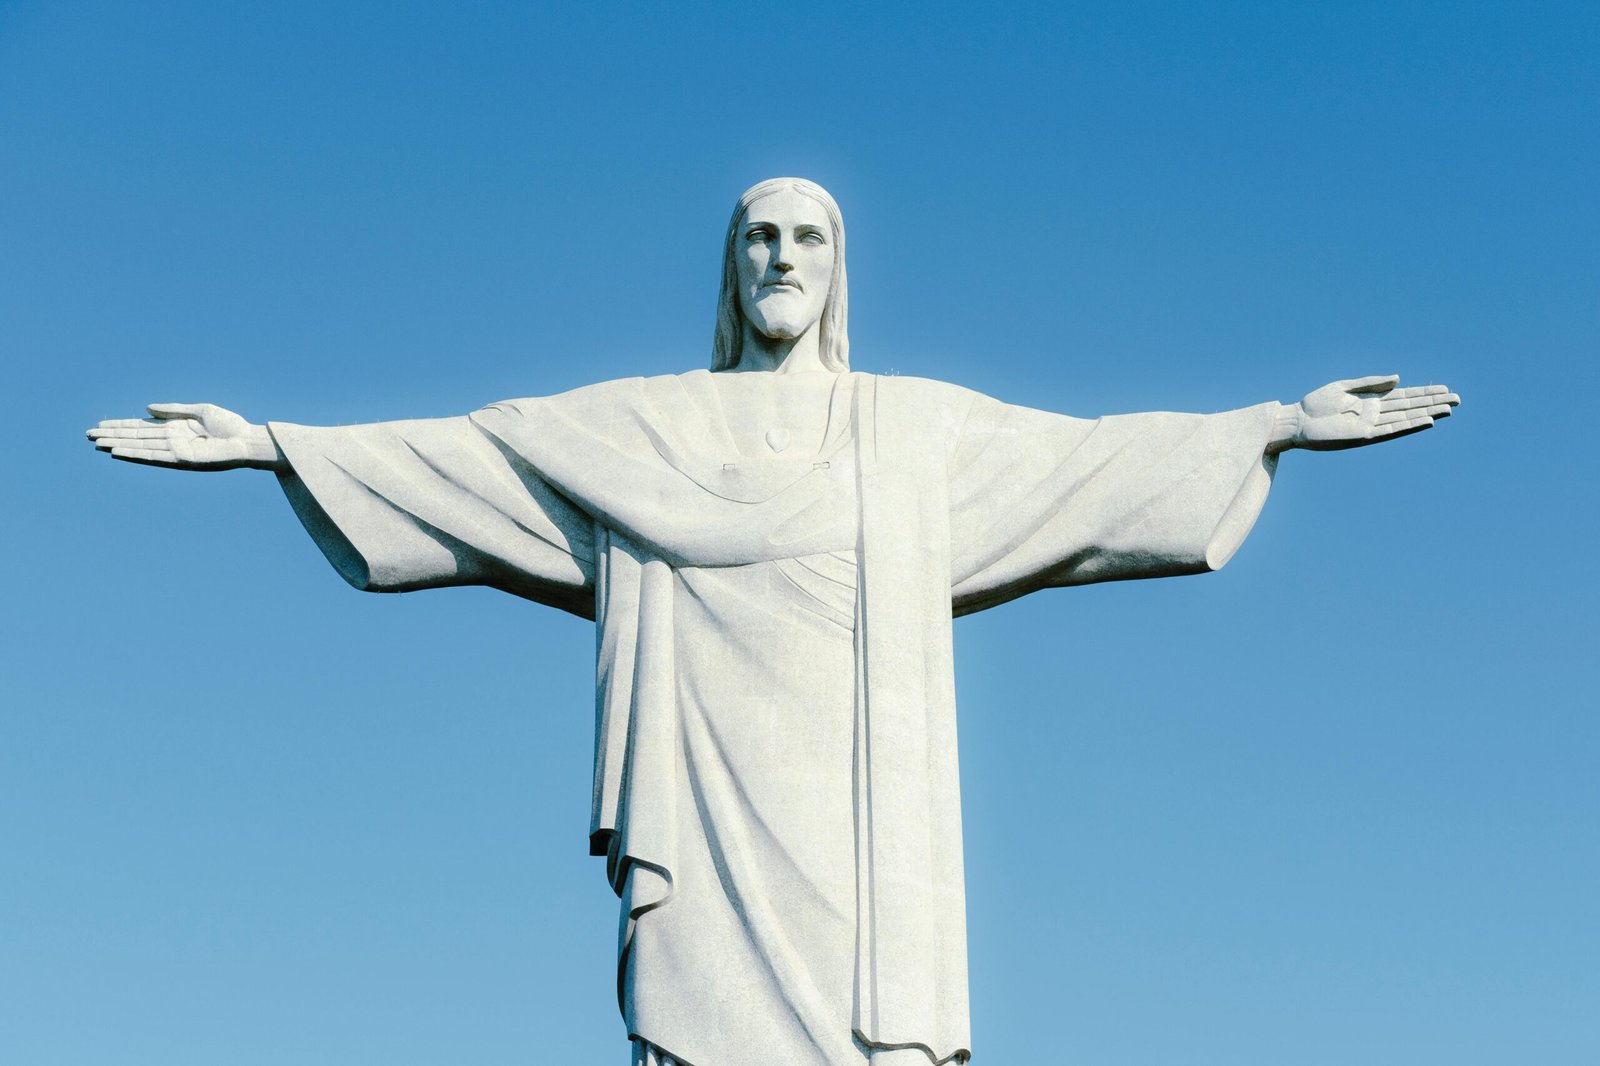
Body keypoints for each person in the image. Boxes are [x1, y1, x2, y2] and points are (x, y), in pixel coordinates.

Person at [87, 177, 1459, 1066]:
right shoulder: (648, 427)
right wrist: (274, 444)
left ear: (839, 268)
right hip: (704, 806)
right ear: (730, 265)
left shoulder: (909, 430)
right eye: (758, 236)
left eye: (808, 237)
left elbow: (1088, 463)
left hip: (867, 834)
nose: (780, 256)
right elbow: (478, 459)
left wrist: (1276, 422)